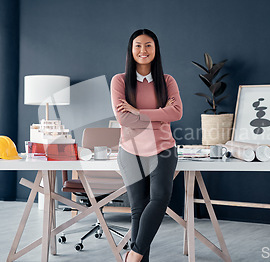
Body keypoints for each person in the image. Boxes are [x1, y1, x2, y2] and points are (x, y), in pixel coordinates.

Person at [110, 29, 183, 262]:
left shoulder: (167, 81)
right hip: (131, 151)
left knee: (160, 198)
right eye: (138, 45)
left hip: (163, 148)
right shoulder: (119, 81)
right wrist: (161, 113)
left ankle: (133, 255)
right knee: (138, 209)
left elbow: (177, 113)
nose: (143, 50)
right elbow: (124, 119)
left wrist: (138, 111)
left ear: (156, 49)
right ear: (131, 50)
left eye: (148, 45)